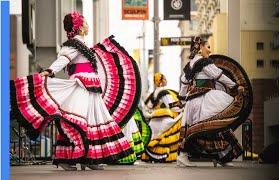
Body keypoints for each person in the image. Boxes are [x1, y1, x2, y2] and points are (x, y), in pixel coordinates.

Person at [10, 11, 141, 170]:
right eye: (85, 23)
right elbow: (63, 60)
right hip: (81, 85)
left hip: (91, 87)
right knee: (80, 119)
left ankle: (88, 158)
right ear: (79, 28)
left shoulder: (82, 45)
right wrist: (50, 71)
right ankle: (78, 158)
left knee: (92, 120)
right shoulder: (74, 44)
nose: (87, 25)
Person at [177, 36, 251, 167]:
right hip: (205, 99)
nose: (210, 51)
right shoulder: (205, 62)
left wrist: (182, 100)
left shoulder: (189, 65)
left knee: (200, 129)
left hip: (192, 101)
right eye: (208, 47)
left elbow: (183, 83)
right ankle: (221, 156)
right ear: (200, 48)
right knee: (218, 123)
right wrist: (235, 86)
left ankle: (219, 156)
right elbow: (219, 75)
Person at [141, 73, 182, 163]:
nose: (166, 81)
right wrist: (182, 108)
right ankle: (163, 154)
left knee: (154, 137)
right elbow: (171, 105)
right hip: (164, 118)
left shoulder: (154, 93)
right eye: (165, 79)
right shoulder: (164, 92)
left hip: (155, 119)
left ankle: (153, 155)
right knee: (165, 135)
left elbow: (148, 106)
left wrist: (152, 113)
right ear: (161, 81)